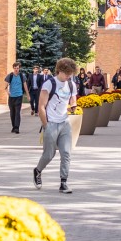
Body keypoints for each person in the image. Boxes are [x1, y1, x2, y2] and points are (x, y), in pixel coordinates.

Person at [34, 57, 79, 194]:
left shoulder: (71, 84)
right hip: (51, 123)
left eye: (71, 74)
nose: (68, 76)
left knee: (66, 153)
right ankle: (37, 170)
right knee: (49, 154)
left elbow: (73, 99)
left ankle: (63, 183)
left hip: (65, 123)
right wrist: (46, 125)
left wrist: (73, 106)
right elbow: (41, 107)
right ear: (59, 71)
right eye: (67, 73)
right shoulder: (49, 84)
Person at [4, 61, 28, 134]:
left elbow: (25, 86)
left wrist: (28, 95)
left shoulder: (22, 76)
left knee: (17, 112)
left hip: (19, 96)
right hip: (11, 97)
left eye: (17, 68)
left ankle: (17, 127)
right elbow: (5, 86)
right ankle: (14, 126)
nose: (16, 69)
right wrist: (7, 92)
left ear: (19, 68)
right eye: (15, 68)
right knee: (12, 113)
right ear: (13, 68)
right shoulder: (10, 76)